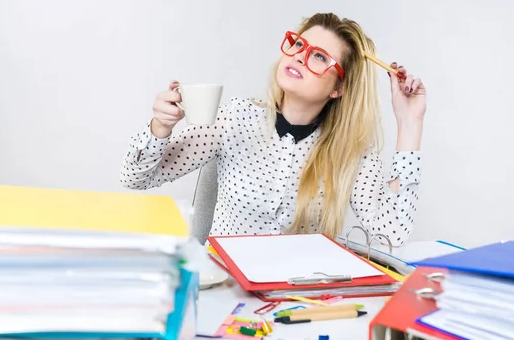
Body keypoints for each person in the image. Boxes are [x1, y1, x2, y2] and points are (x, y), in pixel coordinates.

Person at [120, 12, 426, 246]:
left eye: (319, 56)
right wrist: (160, 127)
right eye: (299, 44)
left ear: (339, 88)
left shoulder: (351, 152)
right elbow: (134, 177)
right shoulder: (233, 119)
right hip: (226, 291)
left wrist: (409, 124)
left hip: (295, 302)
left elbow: (392, 234)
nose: (299, 56)